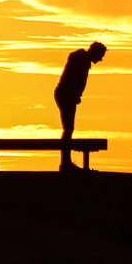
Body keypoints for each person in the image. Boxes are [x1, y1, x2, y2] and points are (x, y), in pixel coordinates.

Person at [53, 41, 106, 169]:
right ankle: (65, 163)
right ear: (95, 52)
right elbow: (73, 78)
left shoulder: (82, 58)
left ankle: (66, 162)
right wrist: (73, 95)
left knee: (69, 129)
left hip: (66, 95)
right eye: (100, 56)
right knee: (68, 129)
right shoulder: (82, 59)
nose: (100, 60)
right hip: (66, 95)